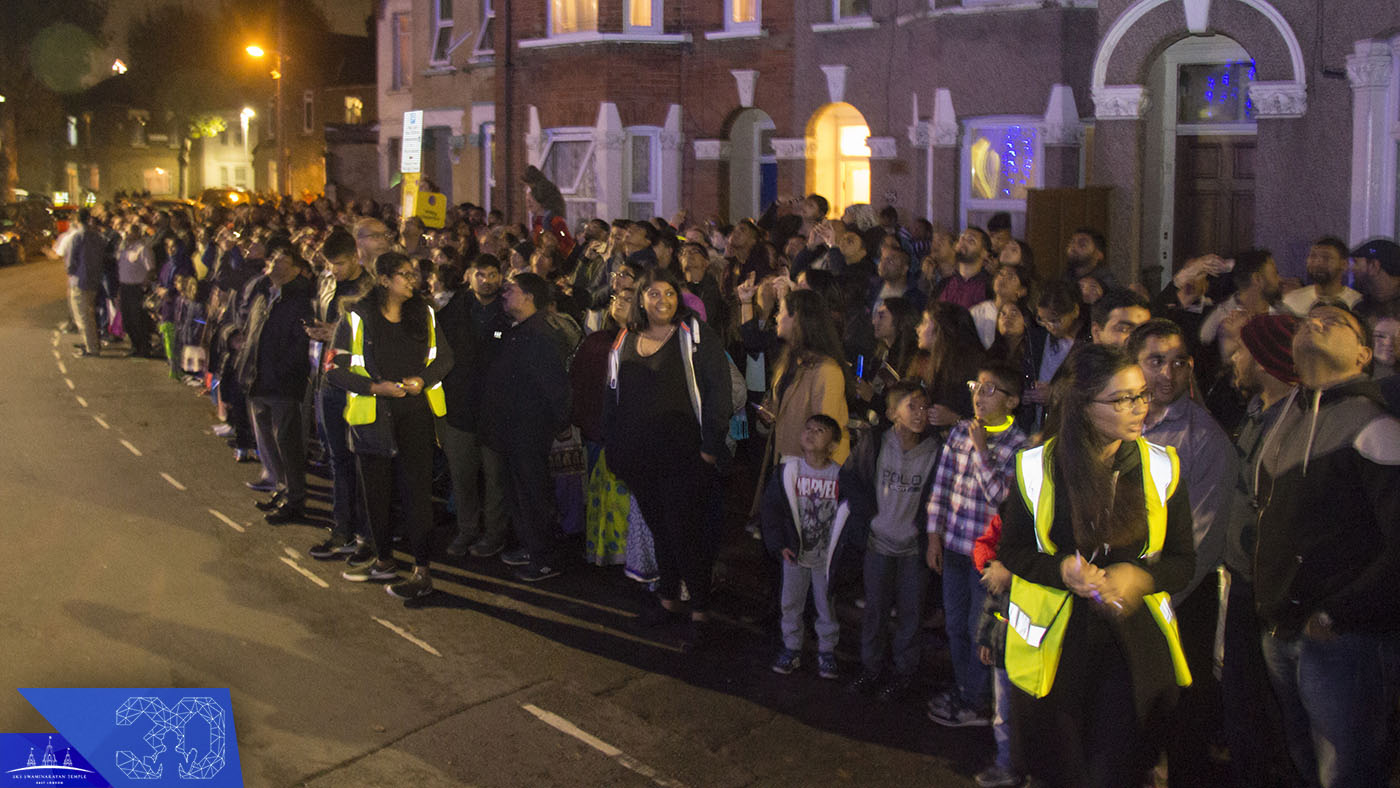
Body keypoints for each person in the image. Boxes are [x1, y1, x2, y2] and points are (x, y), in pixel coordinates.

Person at [999, 344, 1195, 788]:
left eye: (1141, 395)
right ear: (1082, 405)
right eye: (1122, 399)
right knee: (1063, 771)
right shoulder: (1037, 467)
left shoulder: (1162, 467)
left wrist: (1141, 577)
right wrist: (1061, 570)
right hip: (1057, 652)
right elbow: (1013, 550)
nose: (1139, 407)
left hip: (1131, 651)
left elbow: (1184, 562)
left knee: (1115, 771)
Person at [1253, 301, 1400, 788]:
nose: (1314, 322)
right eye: (1307, 322)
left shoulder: (1375, 426)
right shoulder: (1283, 420)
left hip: (1343, 639)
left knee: (1347, 773)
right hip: (1282, 628)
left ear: (1363, 356)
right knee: (1305, 766)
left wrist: (1339, 612)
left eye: (1334, 322)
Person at [1126, 318, 1238, 788]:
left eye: (1178, 362)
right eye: (1155, 361)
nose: (1167, 373)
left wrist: (1153, 599)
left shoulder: (1204, 439)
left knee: (1182, 717)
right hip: (1125, 593)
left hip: (1178, 598)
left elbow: (1203, 538)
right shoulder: (1120, 423)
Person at [604, 267, 733, 641]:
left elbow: (719, 393)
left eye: (670, 293)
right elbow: (611, 396)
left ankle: (700, 612)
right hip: (639, 458)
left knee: (684, 533)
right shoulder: (625, 339)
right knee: (660, 529)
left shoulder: (695, 336)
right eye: (654, 294)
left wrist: (710, 449)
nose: (663, 300)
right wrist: (615, 448)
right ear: (641, 299)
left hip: (685, 458)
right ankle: (668, 599)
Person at [327, 251, 454, 600]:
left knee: (417, 495)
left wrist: (422, 380)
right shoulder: (356, 316)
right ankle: (383, 560)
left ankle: (421, 571)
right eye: (404, 274)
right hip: (372, 418)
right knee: (376, 494)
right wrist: (374, 387)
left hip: (415, 415)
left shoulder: (425, 313)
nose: (413, 280)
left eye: (413, 274)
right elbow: (334, 370)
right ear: (383, 280)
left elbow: (445, 358)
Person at [926, 361, 1030, 728]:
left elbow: (1002, 499)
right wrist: (934, 535)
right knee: (955, 624)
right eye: (976, 387)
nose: (978, 396)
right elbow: (942, 485)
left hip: (986, 556)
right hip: (954, 545)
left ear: (1012, 401)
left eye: (989, 389)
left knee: (978, 629)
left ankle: (977, 701)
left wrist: (982, 451)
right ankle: (965, 689)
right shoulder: (960, 432)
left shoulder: (1019, 445)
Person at [1220, 313, 1299, 788]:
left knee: (1265, 702)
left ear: (1266, 359)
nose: (1234, 357)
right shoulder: (1255, 411)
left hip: (1265, 582)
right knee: (1241, 696)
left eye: (1242, 349)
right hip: (1241, 574)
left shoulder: (1295, 422)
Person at [844, 380, 942, 701]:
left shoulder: (936, 449)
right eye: (911, 406)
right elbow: (850, 476)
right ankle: (870, 668)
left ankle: (903, 673)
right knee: (875, 610)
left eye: (924, 406)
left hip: (913, 548)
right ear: (891, 413)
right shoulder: (876, 443)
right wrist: (869, 518)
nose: (920, 413)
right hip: (878, 543)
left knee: (910, 614)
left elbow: (939, 496)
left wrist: (929, 535)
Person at [483, 272, 572, 582]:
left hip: (530, 430)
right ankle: (530, 546)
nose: (505, 294)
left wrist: (558, 423)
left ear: (529, 297)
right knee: (518, 493)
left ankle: (544, 558)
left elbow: (555, 386)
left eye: (512, 290)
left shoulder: (540, 335)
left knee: (533, 493)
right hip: (512, 429)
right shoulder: (518, 330)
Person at [761, 414, 849, 680]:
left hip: (825, 557)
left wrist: (841, 553)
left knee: (826, 605)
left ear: (833, 444)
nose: (811, 433)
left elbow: (848, 518)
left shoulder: (840, 477)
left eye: (820, 430)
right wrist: (779, 544)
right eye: (808, 428)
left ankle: (827, 650)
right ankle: (791, 647)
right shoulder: (788, 472)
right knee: (791, 602)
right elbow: (772, 511)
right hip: (795, 554)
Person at [305, 228, 375, 561]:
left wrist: (336, 332)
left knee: (361, 463)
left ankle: (366, 535)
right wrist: (322, 332)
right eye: (330, 264)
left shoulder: (369, 289)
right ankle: (342, 530)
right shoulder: (330, 285)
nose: (335, 270)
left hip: (357, 386)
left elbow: (374, 336)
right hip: (329, 381)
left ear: (356, 256)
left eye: (341, 263)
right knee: (338, 460)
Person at [236, 239, 315, 525]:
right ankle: (281, 489)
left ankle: (294, 499)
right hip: (258, 379)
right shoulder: (264, 295)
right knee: (269, 442)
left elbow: (299, 346)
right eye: (273, 260)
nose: (275, 265)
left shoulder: (299, 300)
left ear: (296, 269)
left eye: (283, 261)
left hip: (281, 384)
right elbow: (251, 333)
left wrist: (282, 372)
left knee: (287, 444)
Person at [762, 288, 852, 465]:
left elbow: (824, 433)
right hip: (787, 465)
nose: (776, 317)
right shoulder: (790, 361)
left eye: (781, 311)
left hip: (810, 473)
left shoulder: (827, 371)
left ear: (796, 318)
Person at [1281, 236, 1362, 316]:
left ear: (1344, 264)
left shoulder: (1356, 303)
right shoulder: (1290, 302)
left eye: (1326, 258)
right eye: (1313, 256)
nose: (1318, 263)